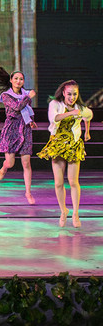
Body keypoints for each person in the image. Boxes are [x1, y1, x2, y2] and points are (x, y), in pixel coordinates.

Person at [38, 80, 93, 228]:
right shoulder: (55, 104)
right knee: (58, 182)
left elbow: (89, 115)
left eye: (75, 94)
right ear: (63, 93)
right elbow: (54, 118)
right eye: (69, 94)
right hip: (57, 144)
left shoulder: (79, 108)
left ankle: (75, 213)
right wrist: (71, 113)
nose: (72, 97)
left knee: (73, 182)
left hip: (73, 145)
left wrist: (87, 131)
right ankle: (63, 211)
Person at [0, 68, 38, 205]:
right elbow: (17, 107)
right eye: (16, 79)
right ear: (11, 80)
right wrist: (28, 97)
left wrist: (31, 121)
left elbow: (27, 110)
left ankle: (28, 192)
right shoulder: (6, 95)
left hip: (25, 129)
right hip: (12, 129)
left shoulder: (25, 94)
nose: (19, 81)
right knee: (10, 163)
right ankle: (4, 167)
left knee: (26, 163)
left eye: (21, 79)